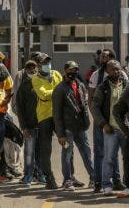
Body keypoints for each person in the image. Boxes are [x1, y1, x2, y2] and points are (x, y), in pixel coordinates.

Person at [88, 48, 127, 193]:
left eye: (106, 56)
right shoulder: (97, 76)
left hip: (121, 125)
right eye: (102, 56)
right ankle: (99, 182)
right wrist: (100, 121)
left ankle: (117, 181)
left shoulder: (123, 77)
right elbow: (92, 100)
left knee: (117, 154)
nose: (102, 58)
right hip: (102, 122)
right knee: (102, 154)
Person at [53, 61, 94, 191]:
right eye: (71, 70)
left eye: (76, 69)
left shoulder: (80, 85)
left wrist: (87, 122)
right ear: (65, 71)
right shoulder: (59, 89)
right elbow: (57, 113)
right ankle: (68, 180)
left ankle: (94, 179)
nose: (73, 72)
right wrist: (60, 134)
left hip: (80, 127)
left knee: (87, 153)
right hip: (67, 129)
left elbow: (84, 105)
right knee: (67, 155)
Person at [0, 50, 22, 178]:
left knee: (7, 143)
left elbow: (9, 93)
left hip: (3, 114)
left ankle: (7, 168)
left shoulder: (6, 76)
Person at [31, 52, 62, 189]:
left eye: (48, 62)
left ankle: (69, 177)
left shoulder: (56, 74)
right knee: (46, 149)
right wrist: (57, 91)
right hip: (44, 116)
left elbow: (64, 91)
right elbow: (43, 95)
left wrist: (55, 92)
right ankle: (49, 178)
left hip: (59, 114)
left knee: (67, 145)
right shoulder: (35, 79)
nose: (47, 65)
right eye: (44, 63)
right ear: (38, 65)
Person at [16, 60, 40, 186]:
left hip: (42, 125)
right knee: (29, 153)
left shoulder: (42, 82)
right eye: (29, 68)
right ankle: (28, 176)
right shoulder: (23, 87)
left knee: (41, 152)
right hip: (29, 126)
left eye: (34, 68)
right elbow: (19, 108)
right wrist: (24, 127)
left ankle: (40, 175)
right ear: (25, 71)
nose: (32, 70)